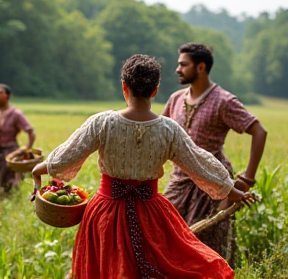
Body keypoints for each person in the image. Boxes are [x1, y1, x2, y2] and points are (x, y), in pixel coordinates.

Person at [32, 54, 255, 279]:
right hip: (151, 213)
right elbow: (200, 163)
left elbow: (64, 158)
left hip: (105, 214)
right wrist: (233, 191)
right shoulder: (169, 130)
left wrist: (36, 172)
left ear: (124, 87)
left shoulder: (103, 123)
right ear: (155, 89)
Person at [162, 42, 267, 267]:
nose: (177, 69)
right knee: (165, 236)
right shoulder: (176, 99)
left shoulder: (224, 101)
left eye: (183, 64)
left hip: (213, 184)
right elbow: (158, 135)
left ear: (200, 67)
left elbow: (259, 132)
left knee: (207, 245)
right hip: (179, 182)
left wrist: (247, 179)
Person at [0, 83, 36, 192]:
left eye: (0, 93)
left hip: (10, 151)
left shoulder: (16, 114)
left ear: (7, 95)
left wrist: (27, 150)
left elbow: (31, 132)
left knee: (8, 180)